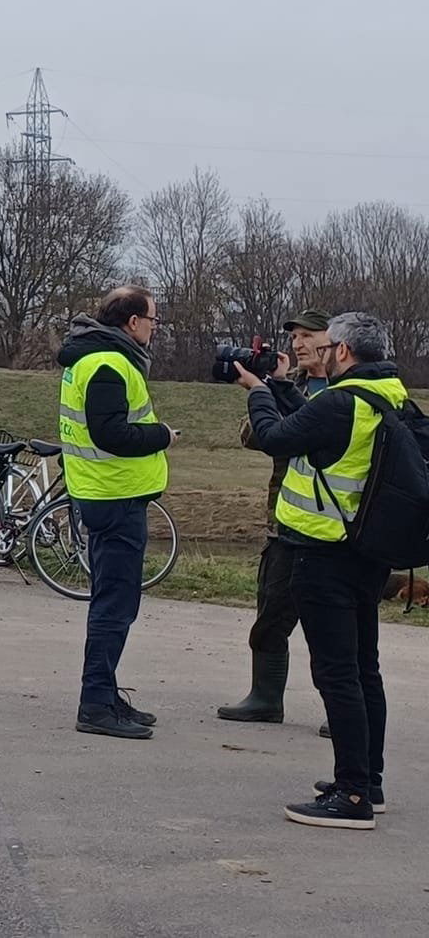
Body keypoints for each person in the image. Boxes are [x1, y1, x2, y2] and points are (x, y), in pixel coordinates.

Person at [236, 311, 403, 830]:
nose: (320, 351)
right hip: (366, 551)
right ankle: (367, 780)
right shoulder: (389, 394)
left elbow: (275, 438)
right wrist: (284, 387)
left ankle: (351, 796)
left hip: (323, 550)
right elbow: (317, 433)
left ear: (344, 352)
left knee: (336, 673)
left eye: (326, 345)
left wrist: (260, 392)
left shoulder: (340, 401)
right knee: (363, 667)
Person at [57, 286, 173, 740]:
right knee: (114, 605)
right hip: (114, 496)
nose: (153, 328)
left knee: (116, 601)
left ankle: (104, 694)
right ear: (132, 323)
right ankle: (95, 703)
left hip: (106, 493)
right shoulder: (108, 363)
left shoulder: (94, 357)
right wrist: (162, 435)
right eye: (153, 320)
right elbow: (111, 435)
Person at [218, 310, 331, 724]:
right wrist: (266, 393)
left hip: (333, 527)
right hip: (283, 519)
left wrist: (279, 414)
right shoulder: (291, 383)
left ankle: (341, 710)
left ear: (334, 341)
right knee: (270, 614)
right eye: (295, 336)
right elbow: (253, 436)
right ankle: (265, 698)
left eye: (308, 336)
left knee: (333, 627)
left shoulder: (345, 389)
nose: (298, 344)